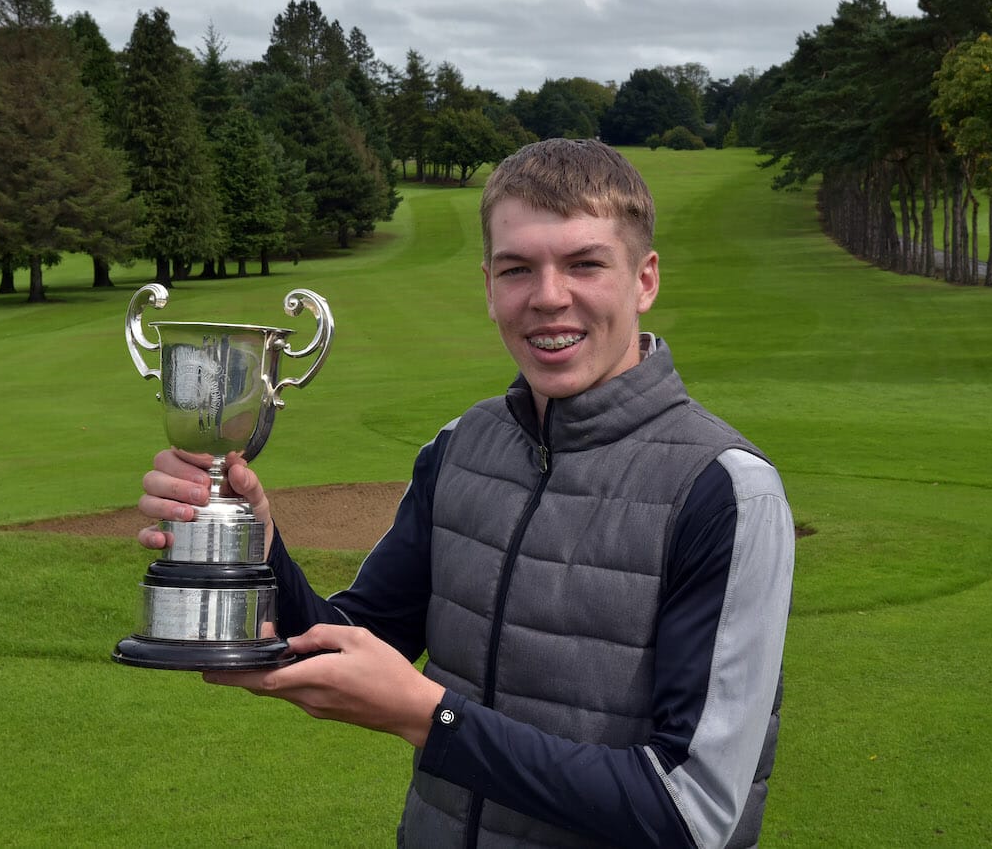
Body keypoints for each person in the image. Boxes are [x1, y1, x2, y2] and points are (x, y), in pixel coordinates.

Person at [138, 138, 795, 848]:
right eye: (517, 269)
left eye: (585, 264)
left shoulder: (725, 490)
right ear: (489, 286)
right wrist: (255, 542)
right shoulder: (460, 448)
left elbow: (690, 813)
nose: (548, 296)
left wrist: (433, 718)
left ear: (644, 279)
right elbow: (348, 641)